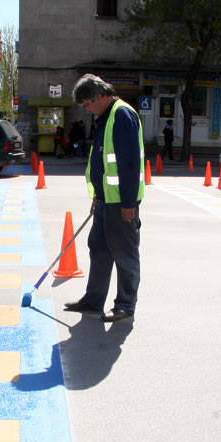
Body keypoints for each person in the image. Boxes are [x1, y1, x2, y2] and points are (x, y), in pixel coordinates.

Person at [64, 73, 144, 323]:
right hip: (105, 200)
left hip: (121, 202)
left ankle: (125, 305)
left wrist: (128, 203)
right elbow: (103, 162)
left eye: (88, 105)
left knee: (124, 253)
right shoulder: (105, 117)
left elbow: (130, 164)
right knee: (98, 247)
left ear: (99, 96)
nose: (88, 110)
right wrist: (98, 195)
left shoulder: (122, 115)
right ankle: (94, 300)